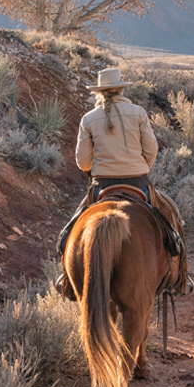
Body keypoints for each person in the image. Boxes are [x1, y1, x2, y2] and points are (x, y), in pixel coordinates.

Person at [55, 67, 159, 296]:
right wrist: (140, 167)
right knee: (170, 224)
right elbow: (151, 150)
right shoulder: (138, 112)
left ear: (100, 91)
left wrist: (95, 169)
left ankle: (66, 276)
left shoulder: (88, 119)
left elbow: (82, 161)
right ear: (122, 88)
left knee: (70, 230)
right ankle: (176, 272)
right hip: (139, 181)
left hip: (102, 185)